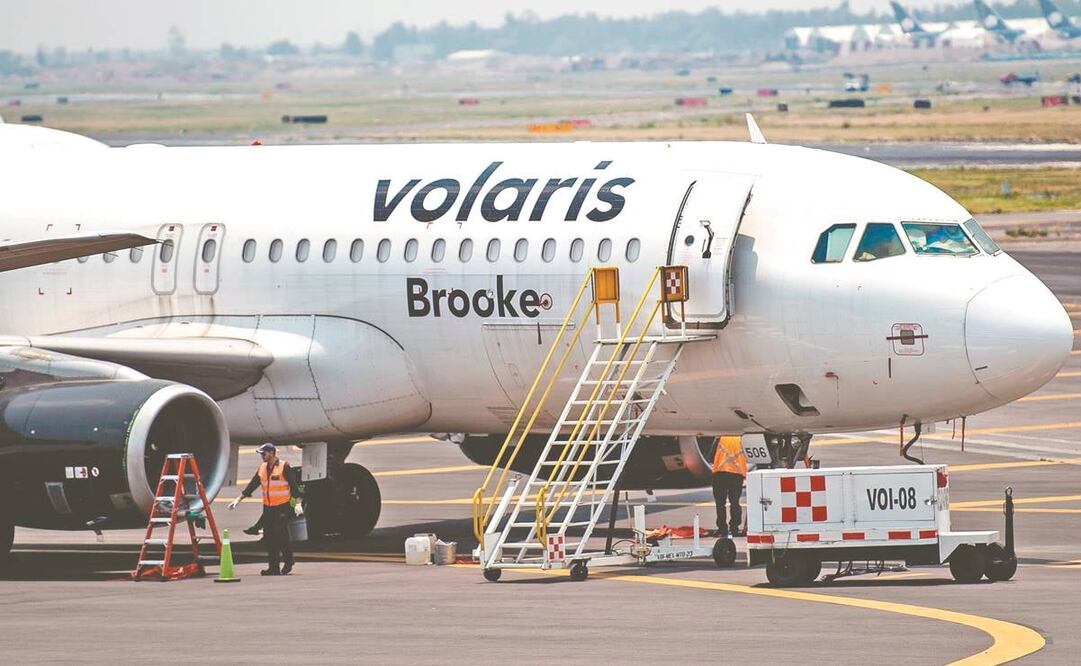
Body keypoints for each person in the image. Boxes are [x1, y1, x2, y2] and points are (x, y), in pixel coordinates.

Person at [228, 443, 301, 575]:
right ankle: (273, 568)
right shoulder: (262, 467)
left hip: (283, 506)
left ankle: (288, 561)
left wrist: (296, 504)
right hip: (268, 507)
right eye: (261, 454)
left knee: (280, 535)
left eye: (264, 453)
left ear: (272, 453)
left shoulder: (284, 466)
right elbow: (253, 484)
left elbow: (295, 488)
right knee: (269, 537)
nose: (262, 456)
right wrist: (239, 499)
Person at [711, 435, 748, 537]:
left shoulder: (720, 437)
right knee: (735, 502)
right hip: (736, 473)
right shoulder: (742, 439)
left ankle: (722, 529)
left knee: (720, 503)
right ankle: (734, 528)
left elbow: (711, 455)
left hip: (720, 472)